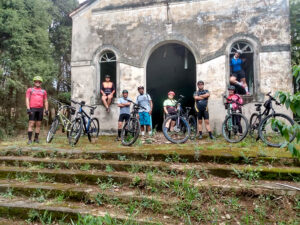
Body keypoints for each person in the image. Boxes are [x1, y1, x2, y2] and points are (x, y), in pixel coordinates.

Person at [26, 76, 48, 144]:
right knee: (31, 124)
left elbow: (46, 101)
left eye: (39, 82)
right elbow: (27, 99)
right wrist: (28, 108)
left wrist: (46, 109)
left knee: (38, 124)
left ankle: (36, 139)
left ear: (41, 83)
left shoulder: (43, 91)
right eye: (36, 81)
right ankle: (29, 140)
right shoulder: (30, 90)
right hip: (32, 108)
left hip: (40, 109)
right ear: (34, 82)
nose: (37, 83)